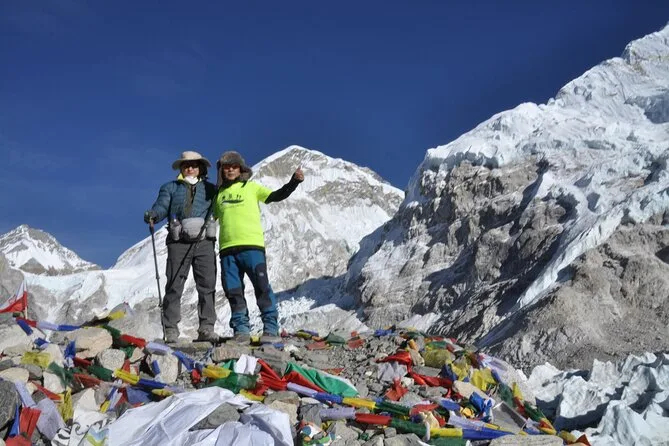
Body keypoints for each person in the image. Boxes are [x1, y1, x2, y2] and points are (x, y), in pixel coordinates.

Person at [214, 150, 304, 343]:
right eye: (226, 167)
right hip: (227, 250)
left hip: (252, 247)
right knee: (233, 290)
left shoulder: (252, 188)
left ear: (241, 169)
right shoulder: (218, 195)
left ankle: (270, 328)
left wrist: (293, 182)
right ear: (221, 171)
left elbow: (275, 196)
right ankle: (241, 330)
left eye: (234, 166)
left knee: (262, 287)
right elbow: (207, 219)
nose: (230, 170)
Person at [144, 151, 219, 343]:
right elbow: (162, 206)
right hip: (178, 241)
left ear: (200, 168)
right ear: (181, 168)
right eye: (186, 165)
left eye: (194, 165)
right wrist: (154, 214)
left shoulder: (212, 189)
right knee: (174, 284)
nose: (190, 168)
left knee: (207, 284)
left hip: (204, 241)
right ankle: (170, 329)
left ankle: (206, 328)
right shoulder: (170, 187)